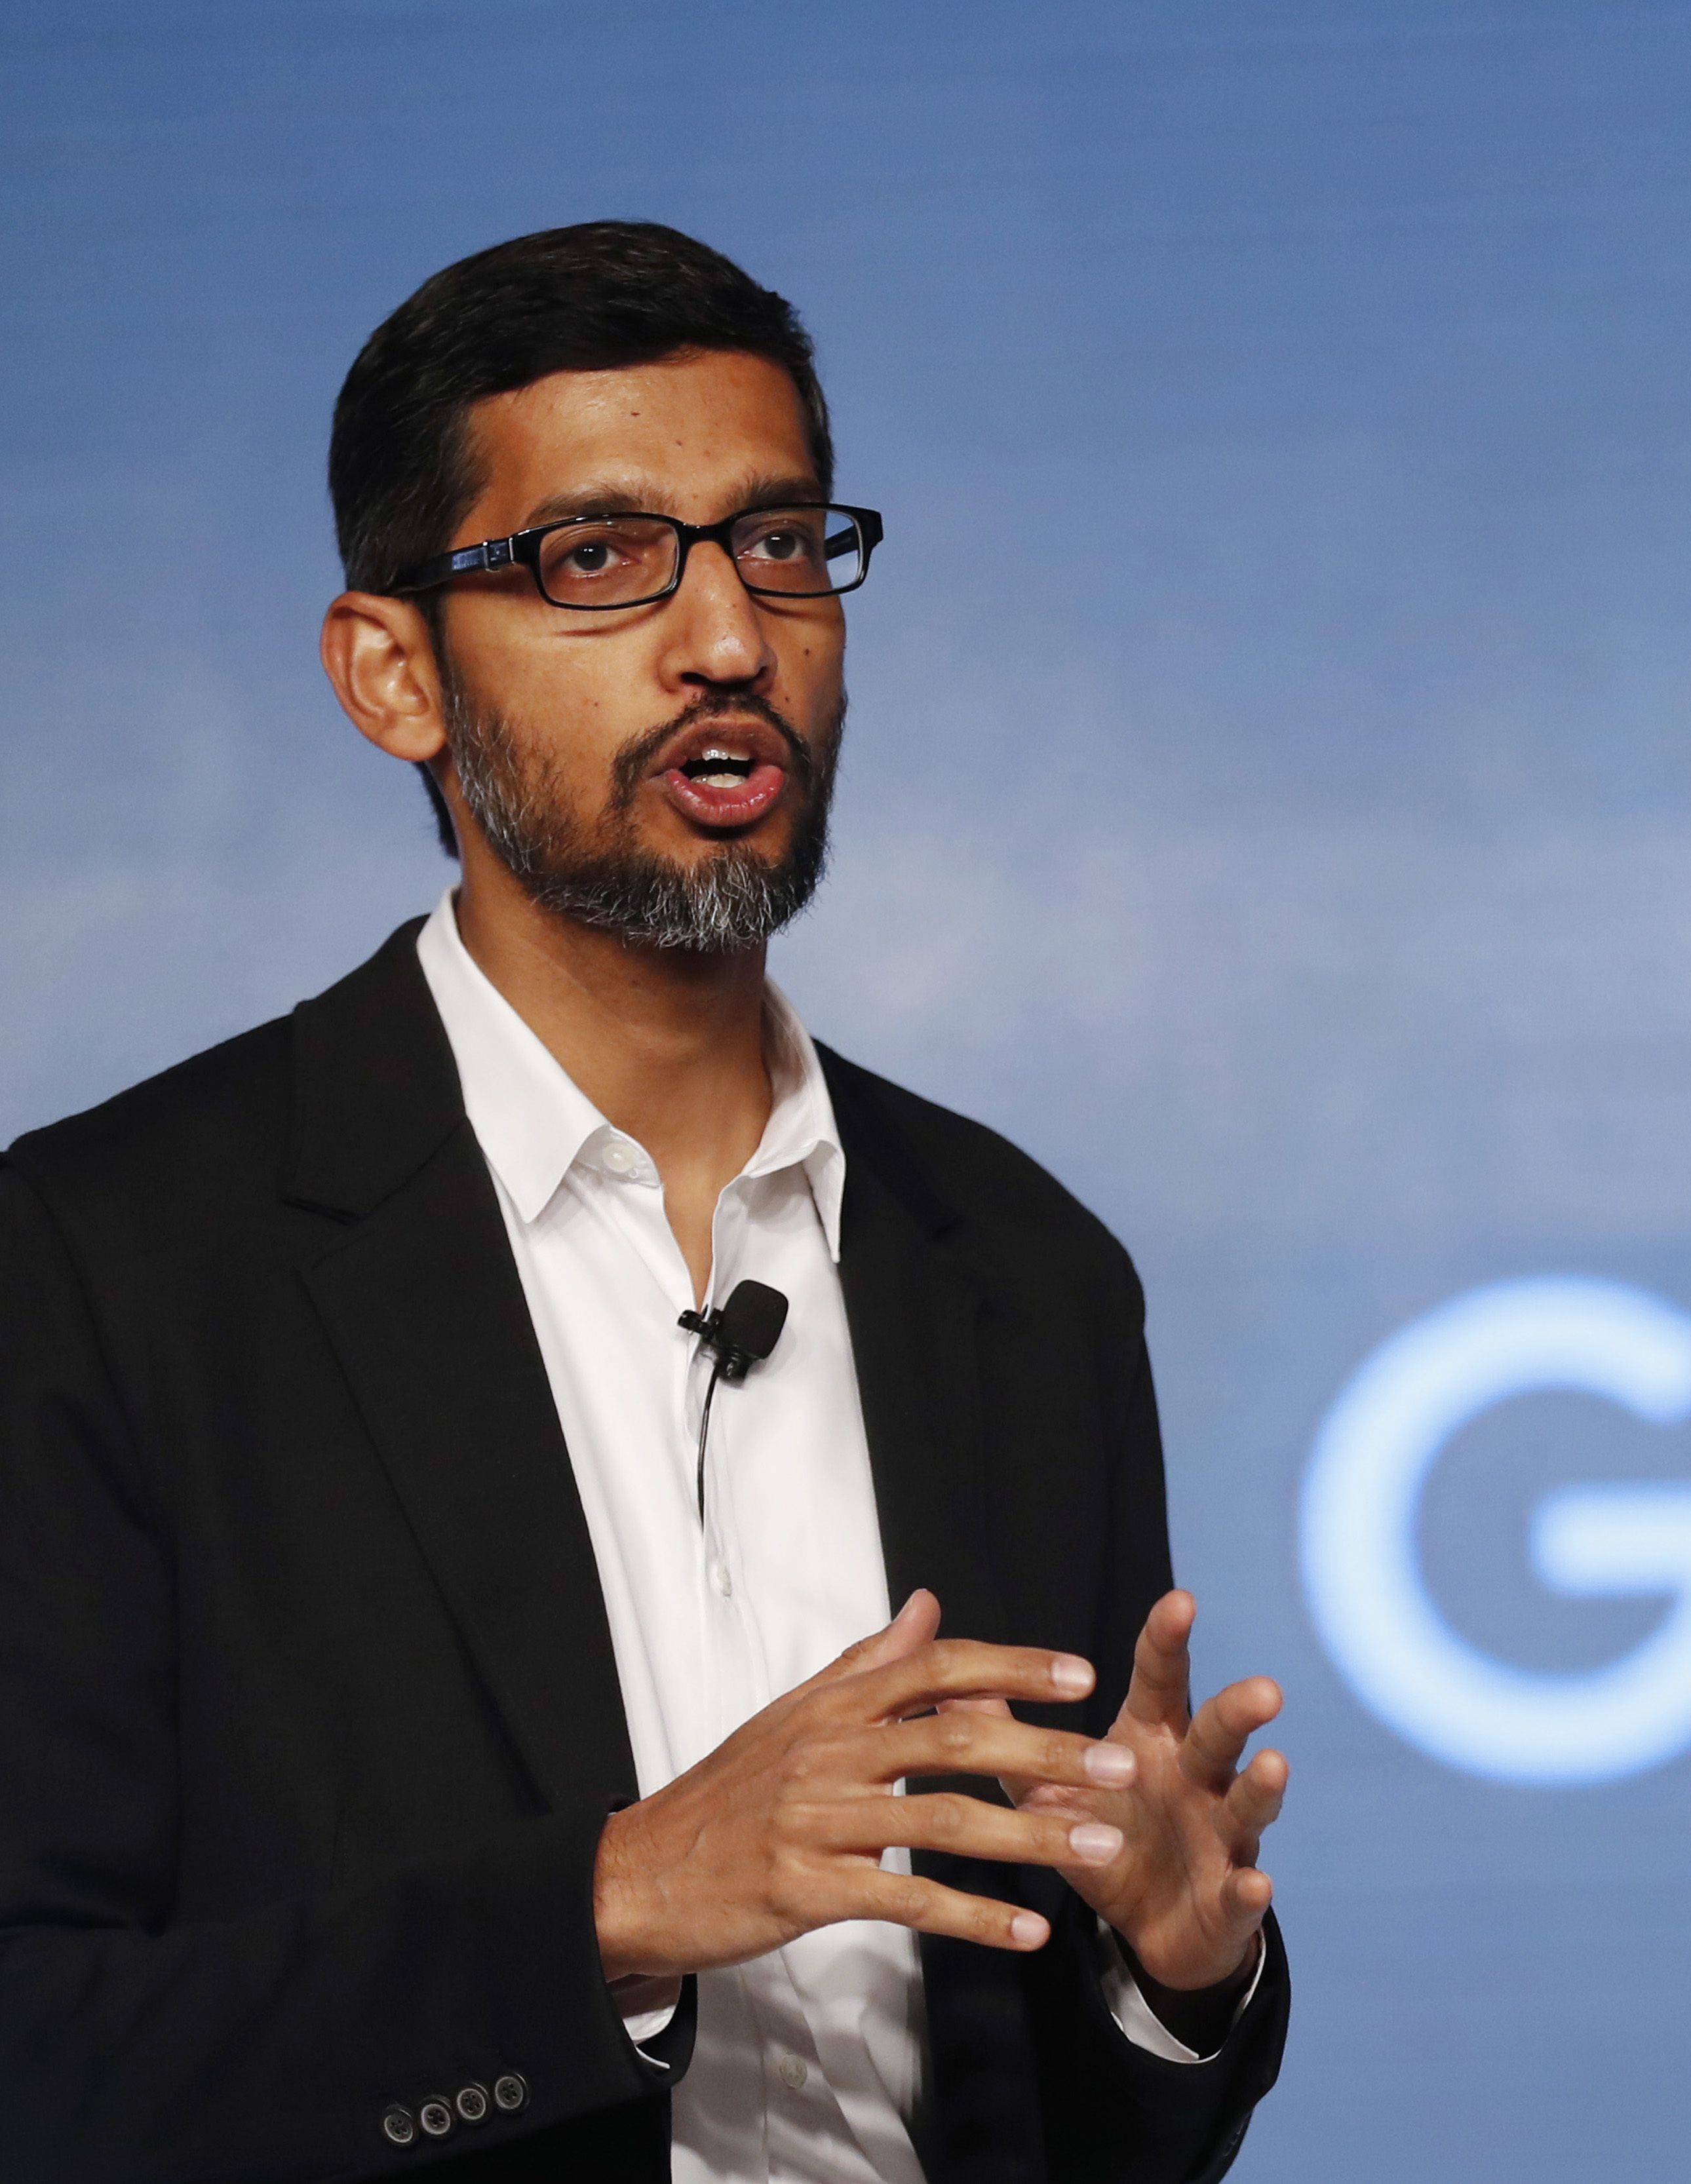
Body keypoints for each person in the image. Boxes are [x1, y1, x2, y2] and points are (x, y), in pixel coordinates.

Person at [0, 222, 1290, 2182]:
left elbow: (1062, 2133)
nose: (729, 640)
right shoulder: (105, 1267)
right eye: (598, 559)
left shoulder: (1023, 1272)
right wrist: (608, 1903)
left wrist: (1171, 1982)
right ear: (393, 676)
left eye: (777, 544)